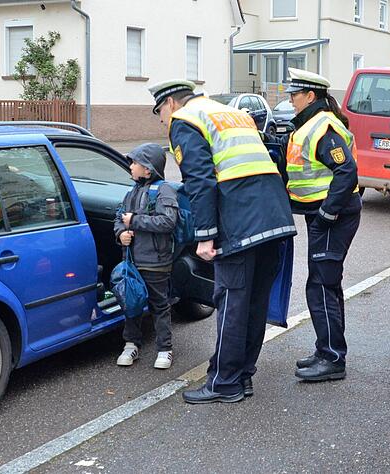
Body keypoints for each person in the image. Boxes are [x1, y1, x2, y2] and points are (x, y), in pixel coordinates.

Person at [148, 80, 297, 403]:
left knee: (231, 301)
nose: (161, 120)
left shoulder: (185, 120)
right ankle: (242, 375)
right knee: (255, 303)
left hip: (239, 220)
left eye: (159, 112)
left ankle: (224, 382)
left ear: (171, 103)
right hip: (274, 215)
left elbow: (200, 182)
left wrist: (205, 234)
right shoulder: (231, 113)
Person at [268, 68, 361, 382]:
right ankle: (327, 350)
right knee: (325, 285)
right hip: (322, 216)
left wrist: (327, 215)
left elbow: (345, 171)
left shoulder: (323, 127)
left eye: (294, 94)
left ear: (310, 95)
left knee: (321, 285)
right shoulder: (308, 124)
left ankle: (333, 358)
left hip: (332, 217)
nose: (291, 100)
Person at [113, 143, 178, 370]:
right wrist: (121, 233)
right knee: (131, 303)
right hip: (132, 261)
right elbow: (119, 218)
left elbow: (169, 221)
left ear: (148, 169)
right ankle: (131, 344)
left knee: (159, 305)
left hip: (157, 263)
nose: (130, 167)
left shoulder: (164, 191)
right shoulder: (131, 192)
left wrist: (135, 222)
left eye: (134, 163)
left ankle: (164, 349)